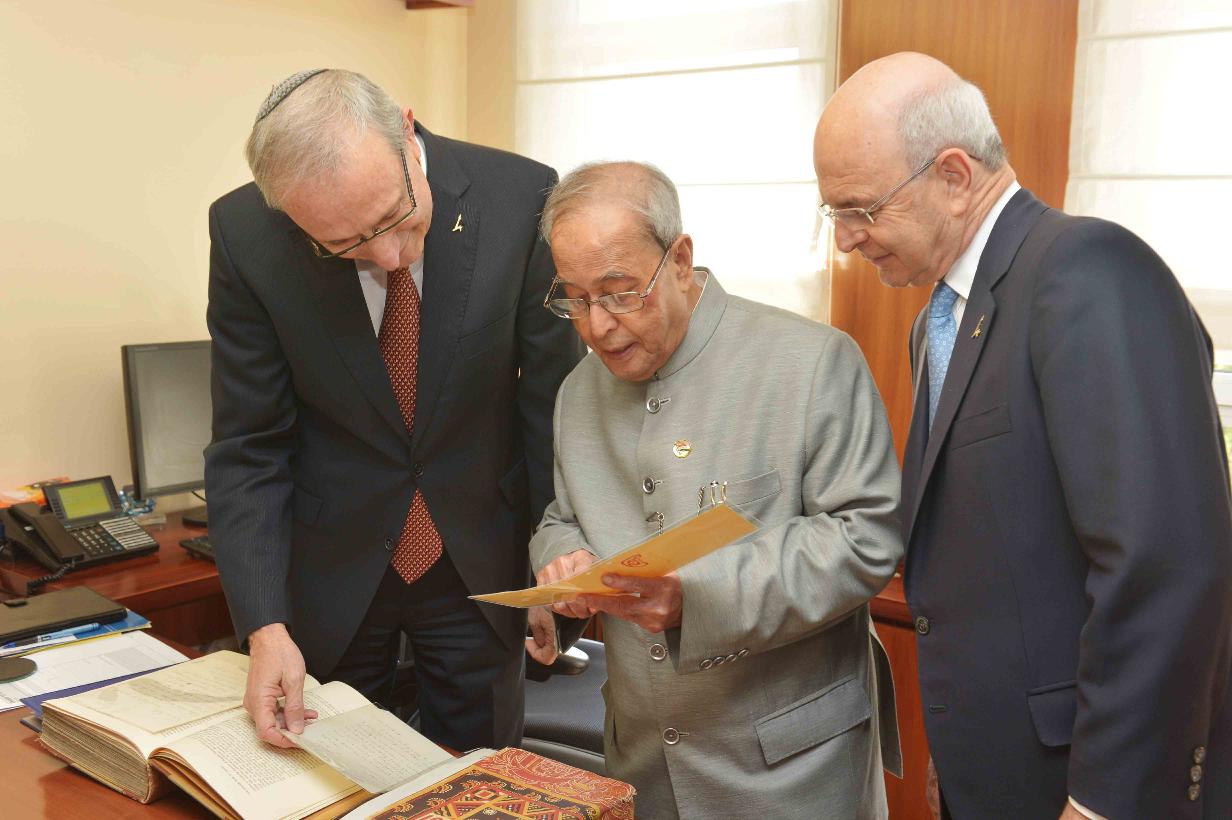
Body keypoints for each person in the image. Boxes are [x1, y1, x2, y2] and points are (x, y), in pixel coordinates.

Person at [813, 52, 1232, 819]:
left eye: (860, 209)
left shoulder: (1089, 270)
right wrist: (960, 754)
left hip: (1088, 781)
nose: (844, 239)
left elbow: (1162, 566)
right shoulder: (941, 318)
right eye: (833, 213)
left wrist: (1104, 801)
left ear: (953, 175)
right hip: (998, 772)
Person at [204, 69, 583, 752]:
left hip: (481, 565)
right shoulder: (246, 233)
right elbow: (249, 444)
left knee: (482, 778)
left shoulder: (520, 195)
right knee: (334, 778)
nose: (387, 255)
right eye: (343, 245)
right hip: (330, 572)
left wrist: (548, 568)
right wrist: (265, 626)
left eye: (393, 217)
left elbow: (552, 407)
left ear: (406, 133)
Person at [525, 160, 903, 819]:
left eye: (619, 293)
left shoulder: (812, 361)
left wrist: (697, 595)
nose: (596, 327)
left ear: (679, 259)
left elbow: (865, 539)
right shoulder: (577, 393)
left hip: (792, 771)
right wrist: (563, 558)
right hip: (643, 762)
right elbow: (564, 516)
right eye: (575, 300)